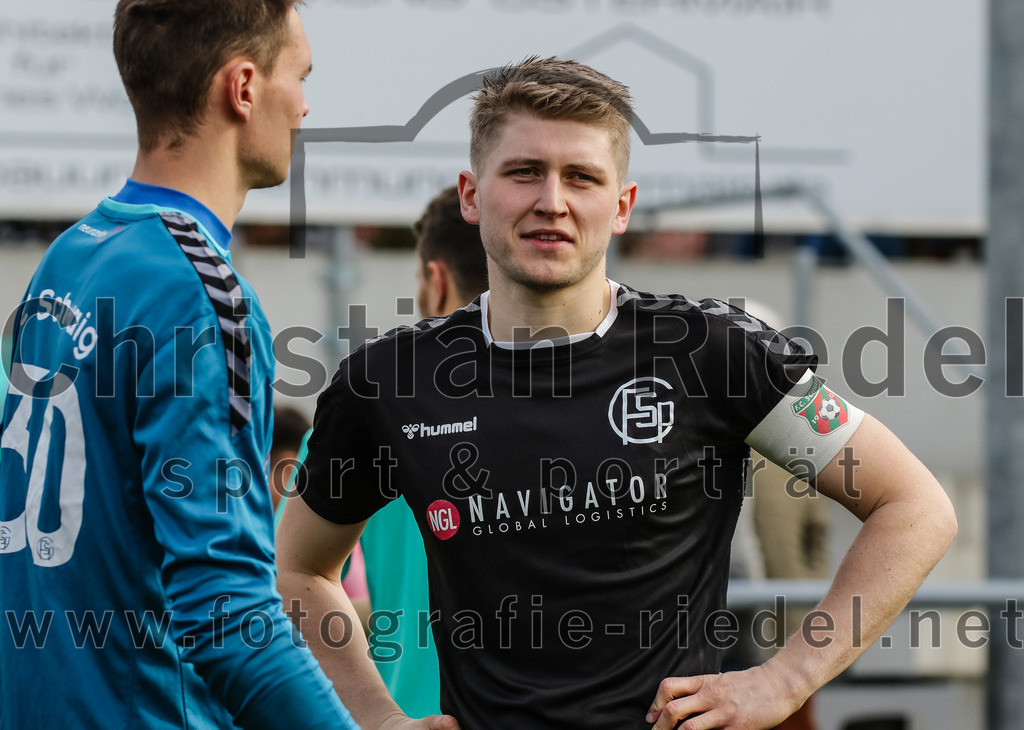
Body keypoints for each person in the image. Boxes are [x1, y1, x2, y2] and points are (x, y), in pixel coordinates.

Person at [276, 57, 957, 729]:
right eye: (524, 172)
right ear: (471, 194)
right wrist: (379, 718)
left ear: (622, 205)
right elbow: (300, 570)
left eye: (582, 177)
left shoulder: (712, 352)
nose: (553, 201)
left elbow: (916, 507)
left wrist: (785, 679)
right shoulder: (390, 382)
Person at [0, 2, 358, 728]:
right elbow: (227, 615)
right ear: (244, 86)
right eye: (301, 75)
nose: (306, 105)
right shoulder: (198, 292)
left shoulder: (74, 253)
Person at [358, 185, 488, 718]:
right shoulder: (592, 396)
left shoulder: (367, 405)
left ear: (437, 281)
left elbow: (284, 589)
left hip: (404, 715)